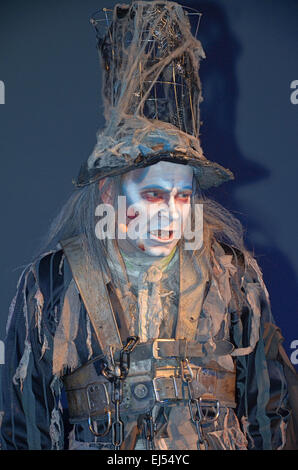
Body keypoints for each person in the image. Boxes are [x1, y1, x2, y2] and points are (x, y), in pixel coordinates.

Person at [0, 0, 297, 450]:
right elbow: (25, 430)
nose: (171, 214)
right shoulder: (51, 288)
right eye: (153, 195)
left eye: (182, 196)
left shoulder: (233, 277)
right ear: (108, 194)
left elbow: (270, 415)